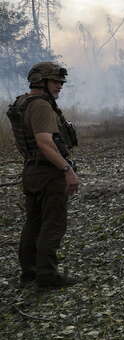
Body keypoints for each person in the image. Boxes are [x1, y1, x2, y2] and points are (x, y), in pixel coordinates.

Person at [6, 62, 80, 289]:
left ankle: (29, 272)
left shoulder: (22, 102)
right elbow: (45, 142)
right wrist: (67, 171)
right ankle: (47, 276)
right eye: (55, 82)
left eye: (60, 82)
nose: (60, 86)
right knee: (53, 223)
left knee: (34, 222)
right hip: (48, 173)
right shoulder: (41, 106)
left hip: (32, 170)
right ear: (41, 82)